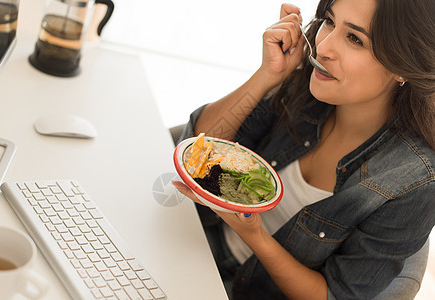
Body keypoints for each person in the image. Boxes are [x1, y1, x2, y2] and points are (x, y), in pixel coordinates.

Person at [173, 0, 435, 299]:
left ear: (404, 66)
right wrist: (268, 74)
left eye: (355, 38)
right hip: (193, 238)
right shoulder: (308, 88)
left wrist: (254, 235)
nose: (322, 47)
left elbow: (334, 295)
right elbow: (197, 146)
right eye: (329, 21)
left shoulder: (415, 180)